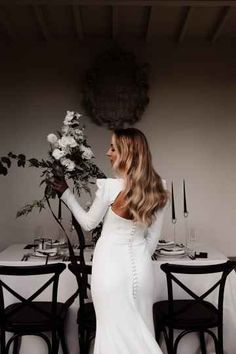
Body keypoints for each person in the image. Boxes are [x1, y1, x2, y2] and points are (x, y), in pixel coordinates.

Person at [52, 127, 168, 354]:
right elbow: (152, 238)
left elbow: (88, 223)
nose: (108, 152)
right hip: (142, 271)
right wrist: (139, 257)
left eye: (113, 147)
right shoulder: (158, 187)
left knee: (112, 335)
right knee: (141, 330)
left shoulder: (111, 188)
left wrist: (66, 193)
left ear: (127, 152)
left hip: (109, 271)